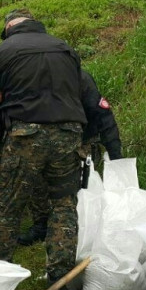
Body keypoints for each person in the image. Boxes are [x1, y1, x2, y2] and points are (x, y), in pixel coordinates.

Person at [0, 8, 87, 290]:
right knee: (63, 205)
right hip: (68, 134)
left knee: (9, 206)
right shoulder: (65, 49)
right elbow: (83, 92)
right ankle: (59, 284)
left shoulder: (3, 50)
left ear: (9, 29)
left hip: (25, 134)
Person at [18, 69, 123, 246]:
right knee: (34, 168)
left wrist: (117, 158)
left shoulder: (80, 80)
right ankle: (41, 224)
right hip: (46, 138)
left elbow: (104, 117)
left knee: (75, 180)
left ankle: (80, 224)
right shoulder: (34, 78)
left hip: (81, 141)